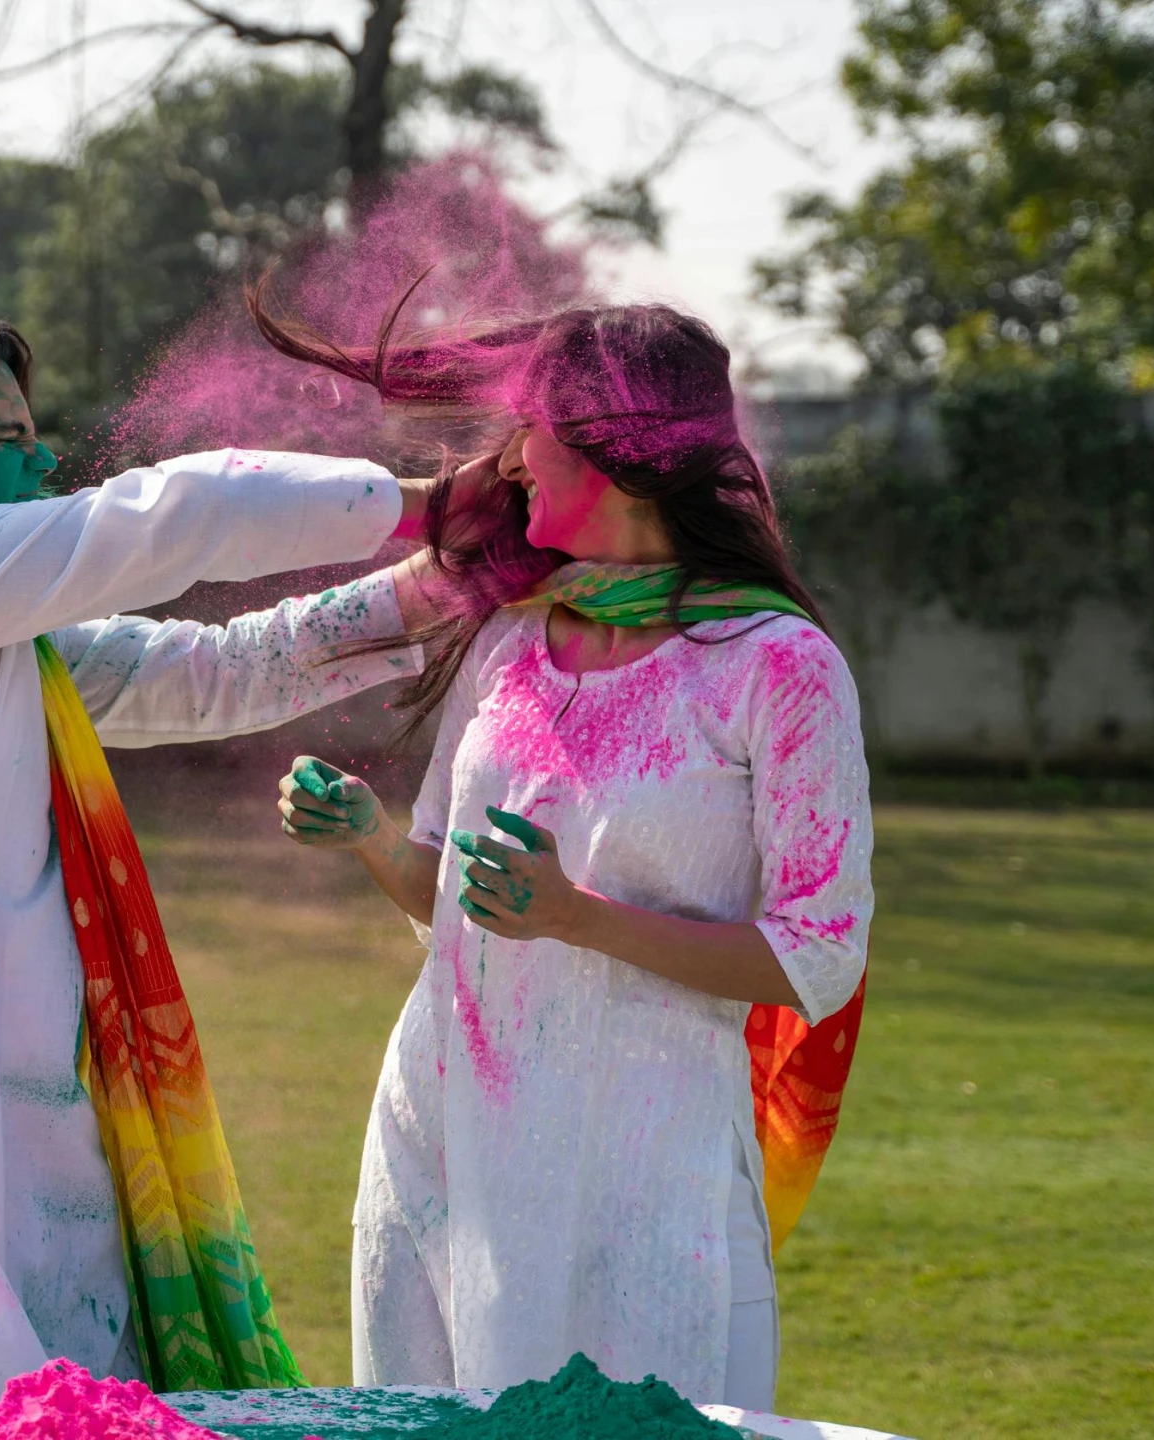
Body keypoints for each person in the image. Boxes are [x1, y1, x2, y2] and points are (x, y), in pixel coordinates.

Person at [0, 304, 431, 1440]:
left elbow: (222, 674)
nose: (43, 456)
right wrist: (424, 507)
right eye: (5, 435)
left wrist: (440, 588)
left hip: (30, 1148)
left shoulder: (8, 644)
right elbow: (167, 521)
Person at [262, 298, 874, 1411]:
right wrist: (369, 837)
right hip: (441, 1146)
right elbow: (450, 902)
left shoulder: (775, 665)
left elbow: (817, 961)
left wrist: (577, 917)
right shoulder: (511, 642)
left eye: (531, 427)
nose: (508, 459)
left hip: (637, 1175)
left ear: (619, 452)